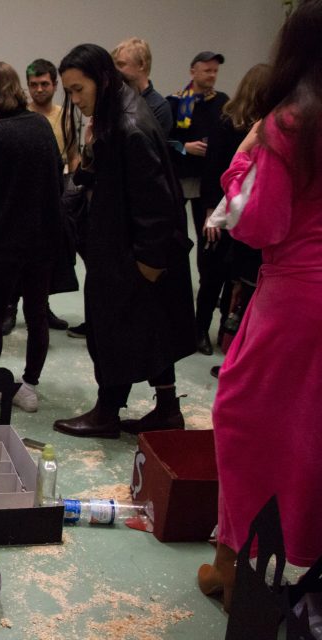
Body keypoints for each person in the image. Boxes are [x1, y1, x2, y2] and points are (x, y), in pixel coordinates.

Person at [199, 0, 322, 610]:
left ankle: (241, 567)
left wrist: (243, 158)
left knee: (248, 421)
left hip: (297, 295)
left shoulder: (292, 122)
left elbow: (257, 223)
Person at [52, 44, 195, 438]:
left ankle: (107, 412)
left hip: (131, 254)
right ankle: (166, 409)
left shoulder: (129, 126)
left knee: (113, 331)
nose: (74, 99)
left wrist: (146, 265)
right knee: (150, 330)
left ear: (101, 80)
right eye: (70, 91)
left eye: (79, 89)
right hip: (124, 247)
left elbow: (156, 202)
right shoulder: (118, 111)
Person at [0, 62, 63, 413]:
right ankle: (29, 385)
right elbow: (56, 181)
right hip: (43, 239)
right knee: (36, 313)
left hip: (6, 241)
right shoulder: (41, 125)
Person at [198, 64, 270, 368]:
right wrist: (210, 213)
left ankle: (226, 332)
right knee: (212, 274)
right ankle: (200, 329)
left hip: (243, 212)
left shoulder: (265, 126)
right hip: (222, 207)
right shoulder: (227, 122)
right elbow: (213, 169)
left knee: (235, 277)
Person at [167, 50, 230, 355]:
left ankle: (202, 314)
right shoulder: (179, 102)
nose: (212, 76)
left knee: (209, 249)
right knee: (171, 240)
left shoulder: (222, 103)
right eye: (207, 71)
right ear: (193, 71)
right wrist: (185, 148)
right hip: (180, 180)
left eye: (215, 71)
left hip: (209, 185)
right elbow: (164, 140)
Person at [25, 58, 77, 331]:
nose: (39, 89)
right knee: (19, 254)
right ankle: (10, 307)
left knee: (46, 257)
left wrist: (73, 192)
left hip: (55, 193)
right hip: (24, 195)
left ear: (55, 85)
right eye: (34, 84)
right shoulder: (20, 114)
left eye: (44, 84)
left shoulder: (65, 115)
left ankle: (41, 307)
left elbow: (74, 155)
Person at [112, 38, 173, 134]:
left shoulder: (159, 107)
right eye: (114, 65)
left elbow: (154, 143)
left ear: (141, 65)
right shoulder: (115, 100)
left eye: (121, 64)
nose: (116, 70)